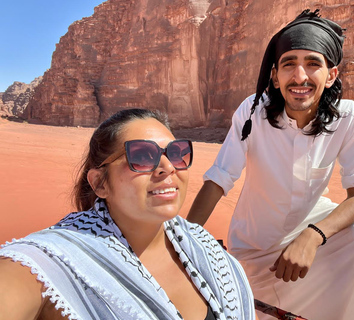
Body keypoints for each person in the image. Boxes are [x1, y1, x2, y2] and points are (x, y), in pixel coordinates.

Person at [187, 9, 354, 320]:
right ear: (275, 76)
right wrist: (184, 241)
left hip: (308, 234)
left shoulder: (348, 118)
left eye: (313, 64)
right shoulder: (252, 114)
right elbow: (219, 179)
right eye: (289, 64)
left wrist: (313, 235)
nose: (300, 77)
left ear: (331, 75)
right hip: (253, 248)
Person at [0, 108, 256, 320]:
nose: (167, 168)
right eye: (143, 156)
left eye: (176, 153)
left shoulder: (203, 247)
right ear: (100, 183)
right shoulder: (57, 260)